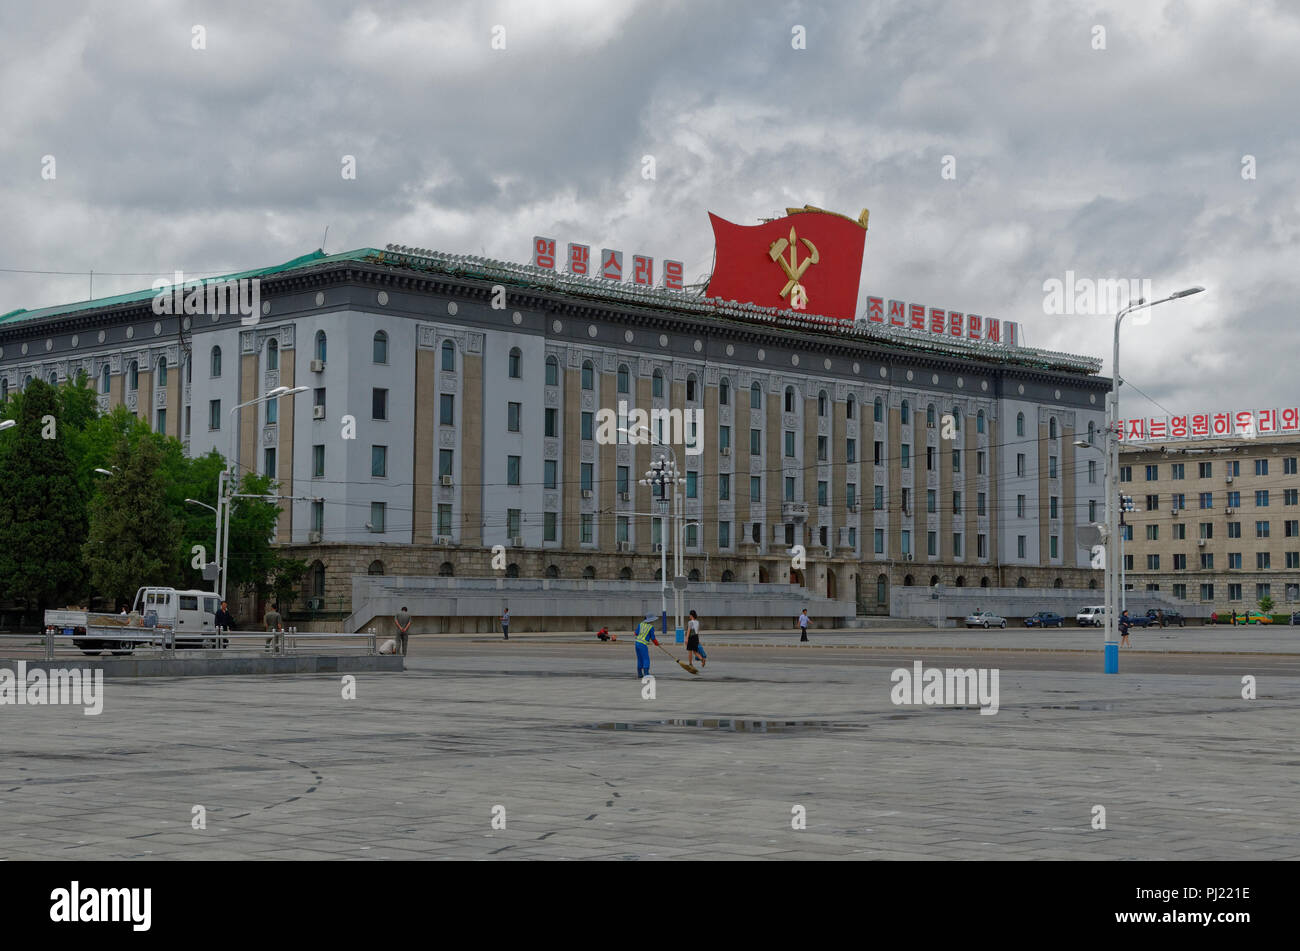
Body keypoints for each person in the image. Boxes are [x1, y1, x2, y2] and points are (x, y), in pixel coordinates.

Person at [634, 612, 659, 678]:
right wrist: (656, 643)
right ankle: (646, 673)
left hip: (637, 643)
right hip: (643, 645)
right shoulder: (651, 627)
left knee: (640, 659)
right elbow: (653, 638)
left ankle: (639, 674)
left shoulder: (640, 624)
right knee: (646, 659)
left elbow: (636, 633)